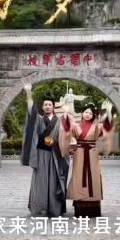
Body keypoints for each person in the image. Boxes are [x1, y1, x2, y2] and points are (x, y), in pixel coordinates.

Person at [21, 82, 70, 217]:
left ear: (53, 107)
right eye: (45, 105)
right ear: (42, 107)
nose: (48, 106)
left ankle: (55, 209)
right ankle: (41, 208)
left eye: (50, 105)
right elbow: (31, 111)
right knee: (41, 182)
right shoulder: (38, 119)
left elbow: (66, 135)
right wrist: (29, 93)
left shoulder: (59, 121)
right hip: (41, 154)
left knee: (55, 181)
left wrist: (57, 142)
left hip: (55, 155)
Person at [59, 101, 114, 218]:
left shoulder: (97, 126)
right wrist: (66, 112)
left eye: (90, 113)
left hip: (92, 153)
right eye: (86, 112)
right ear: (82, 113)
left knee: (93, 176)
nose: (87, 115)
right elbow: (66, 129)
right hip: (79, 153)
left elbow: (107, 127)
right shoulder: (75, 125)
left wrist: (109, 112)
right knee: (79, 176)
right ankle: (80, 206)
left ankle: (94, 206)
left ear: (93, 115)